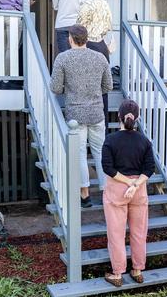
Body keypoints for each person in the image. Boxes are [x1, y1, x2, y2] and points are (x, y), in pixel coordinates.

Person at [49, 25, 112, 206]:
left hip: (75, 114)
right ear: (87, 38)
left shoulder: (63, 58)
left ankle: (85, 195)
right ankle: (107, 191)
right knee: (100, 152)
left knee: (80, 154)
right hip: (96, 113)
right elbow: (108, 86)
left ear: (70, 39)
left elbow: (55, 88)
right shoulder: (100, 58)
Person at [101, 99, 155, 287]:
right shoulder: (144, 141)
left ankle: (117, 274)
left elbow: (107, 168)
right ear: (138, 117)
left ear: (119, 117)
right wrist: (135, 184)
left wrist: (127, 182)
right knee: (139, 232)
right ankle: (138, 270)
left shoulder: (110, 140)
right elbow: (149, 168)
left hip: (117, 189)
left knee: (116, 233)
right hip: (139, 190)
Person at [76, 0, 112, 127]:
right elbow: (108, 26)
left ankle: (85, 123)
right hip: (102, 47)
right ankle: (101, 123)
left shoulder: (86, 3)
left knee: (85, 86)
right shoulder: (105, 4)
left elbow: (79, 28)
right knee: (102, 88)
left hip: (88, 46)